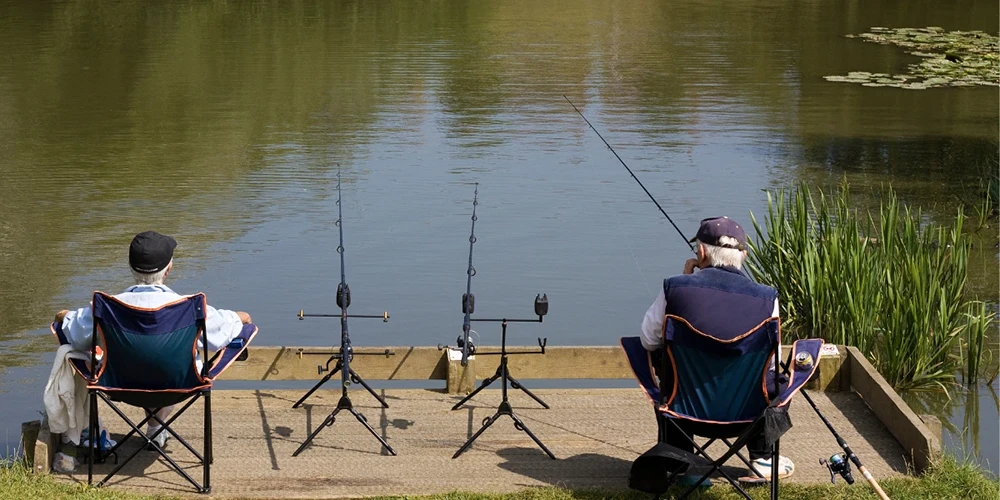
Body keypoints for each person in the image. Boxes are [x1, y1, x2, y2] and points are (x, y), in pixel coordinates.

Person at [54, 230, 252, 448]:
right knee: (165, 360)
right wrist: (243, 318)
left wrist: (62, 316)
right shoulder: (190, 307)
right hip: (180, 386)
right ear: (169, 269)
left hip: (116, 385)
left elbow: (72, 331)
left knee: (85, 353)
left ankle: (93, 428)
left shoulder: (106, 306)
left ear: (130, 268)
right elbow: (226, 331)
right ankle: (156, 429)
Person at [639, 216, 794, 482]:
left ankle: (679, 462)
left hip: (685, 413)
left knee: (662, 357)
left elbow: (648, 340)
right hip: (746, 416)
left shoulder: (675, 287)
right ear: (743, 255)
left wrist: (683, 282)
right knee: (773, 375)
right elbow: (771, 361)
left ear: (701, 252)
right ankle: (763, 458)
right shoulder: (768, 298)